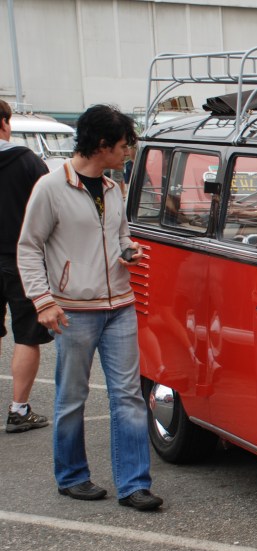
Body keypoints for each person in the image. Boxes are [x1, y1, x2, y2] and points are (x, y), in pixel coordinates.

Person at [18, 104, 163, 510]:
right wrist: (43, 301)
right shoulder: (51, 187)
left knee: (129, 396)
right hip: (74, 309)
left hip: (120, 305)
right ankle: (72, 476)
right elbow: (28, 247)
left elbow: (120, 237)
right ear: (101, 145)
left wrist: (129, 251)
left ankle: (134, 484)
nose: (128, 152)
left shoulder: (114, 189)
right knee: (71, 397)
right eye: (124, 145)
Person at [0, 99, 52, 433]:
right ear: (5, 123)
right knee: (26, 334)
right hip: (21, 259)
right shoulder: (27, 161)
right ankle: (18, 409)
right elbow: (51, 206)